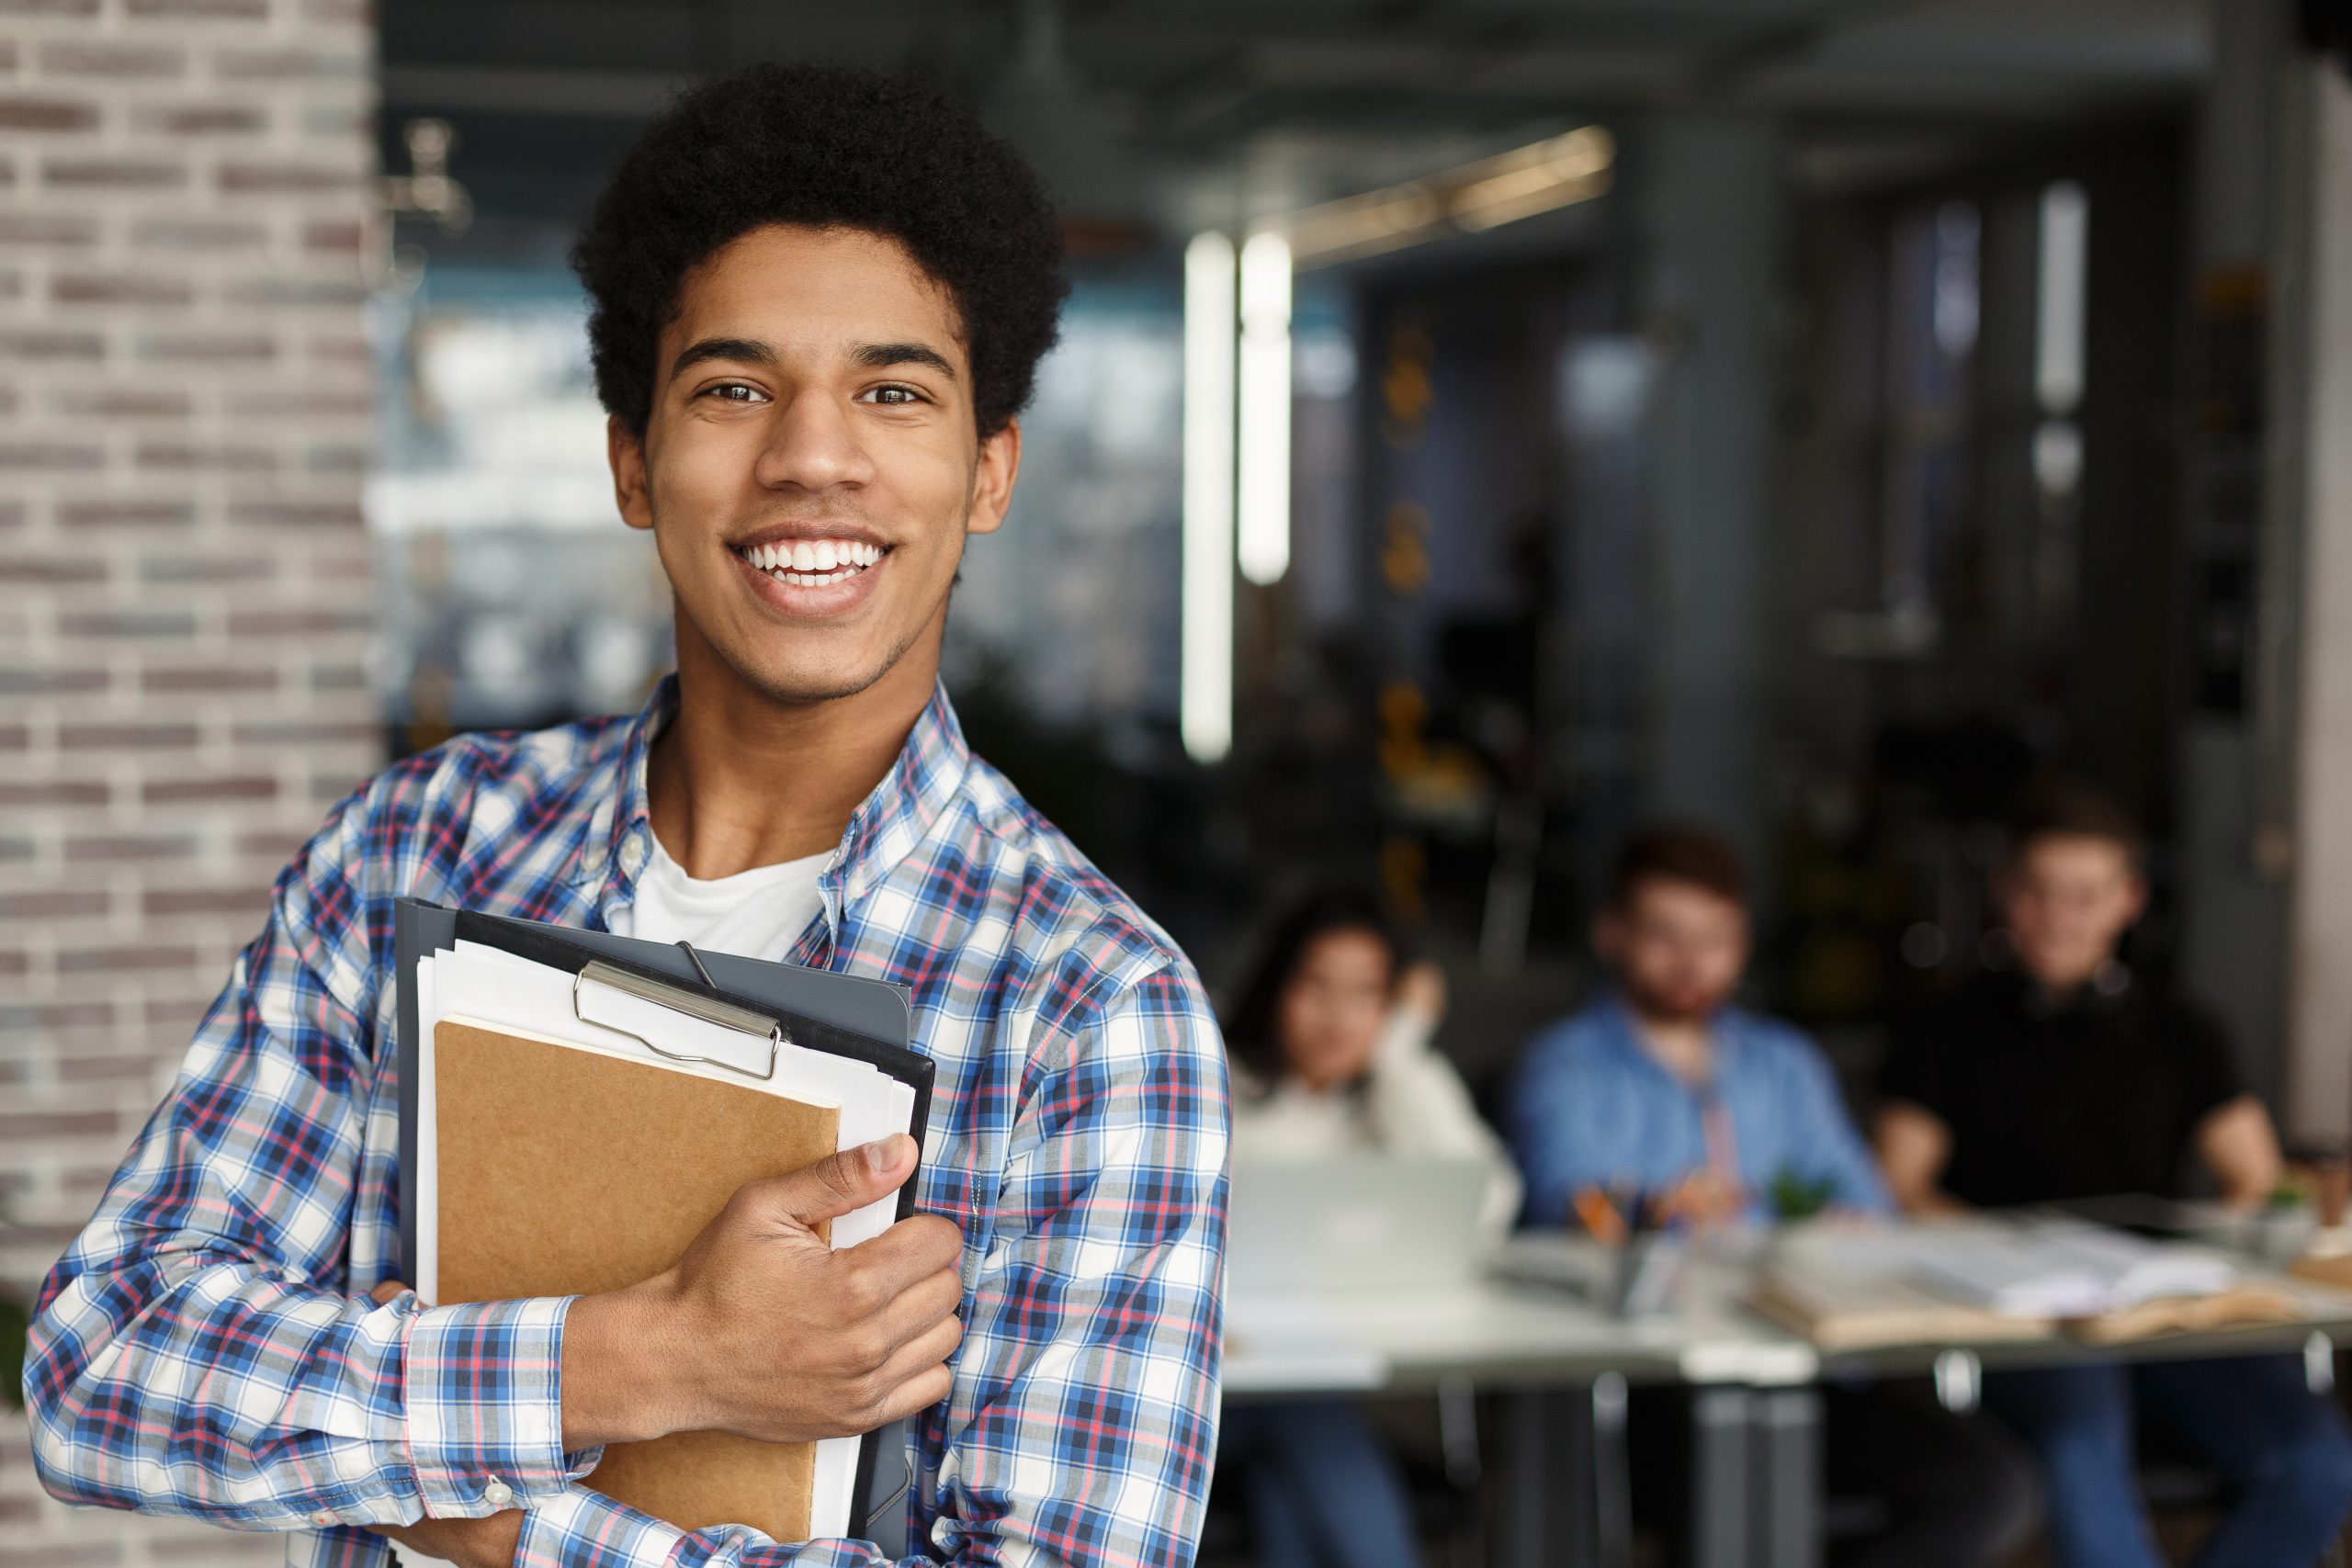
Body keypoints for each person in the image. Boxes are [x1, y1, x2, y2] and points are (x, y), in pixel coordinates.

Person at [25, 65, 1227, 1568]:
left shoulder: (1093, 1005)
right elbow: (102, 1366)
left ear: (988, 472)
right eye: (733, 386)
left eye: (894, 389)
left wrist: (510, 1525)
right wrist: (648, 1357)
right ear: (631, 461)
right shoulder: (411, 850)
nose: (811, 455)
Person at [1510, 825, 2040, 1568]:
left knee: (1991, 1486)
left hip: (1806, 1367)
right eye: (1665, 935)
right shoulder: (1564, 1065)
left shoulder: (1782, 1063)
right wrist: (1649, 1210)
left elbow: (1863, 1200)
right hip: (1656, 1386)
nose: (1692, 961)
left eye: (1714, 938)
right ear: (1613, 933)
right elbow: (1562, 1201)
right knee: (1734, 1476)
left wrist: (1843, 1225)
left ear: (1743, 941)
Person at [1876, 780, 2352, 1568]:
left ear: (2127, 900)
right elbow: (1899, 1183)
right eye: (2039, 891)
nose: (2060, 915)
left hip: (2158, 1303)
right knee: (2080, 1442)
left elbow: (2257, 1179)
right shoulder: (1947, 1026)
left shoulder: (2182, 1028)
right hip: (2030, 1316)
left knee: (2317, 1460)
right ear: (2007, 894)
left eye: (2086, 894)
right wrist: (2004, 1255)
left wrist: (2213, 1248)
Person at [1218, 890, 1518, 1568]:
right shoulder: (1215, 1081)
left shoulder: (1398, 1087)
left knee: (1291, 1472)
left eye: (1365, 995)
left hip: (1350, 1379)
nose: (1336, 1017)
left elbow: (1488, 1201)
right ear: (1275, 986)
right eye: (1316, 986)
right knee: (1307, 1415)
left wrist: (1400, 1052)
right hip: (1224, 1389)